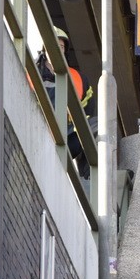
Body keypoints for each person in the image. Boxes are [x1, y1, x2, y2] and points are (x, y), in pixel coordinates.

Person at [36, 27, 97, 179]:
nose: (58, 50)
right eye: (54, 46)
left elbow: (88, 111)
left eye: (62, 47)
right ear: (45, 49)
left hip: (68, 137)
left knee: (97, 125)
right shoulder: (31, 73)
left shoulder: (78, 78)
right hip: (38, 134)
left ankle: (89, 175)